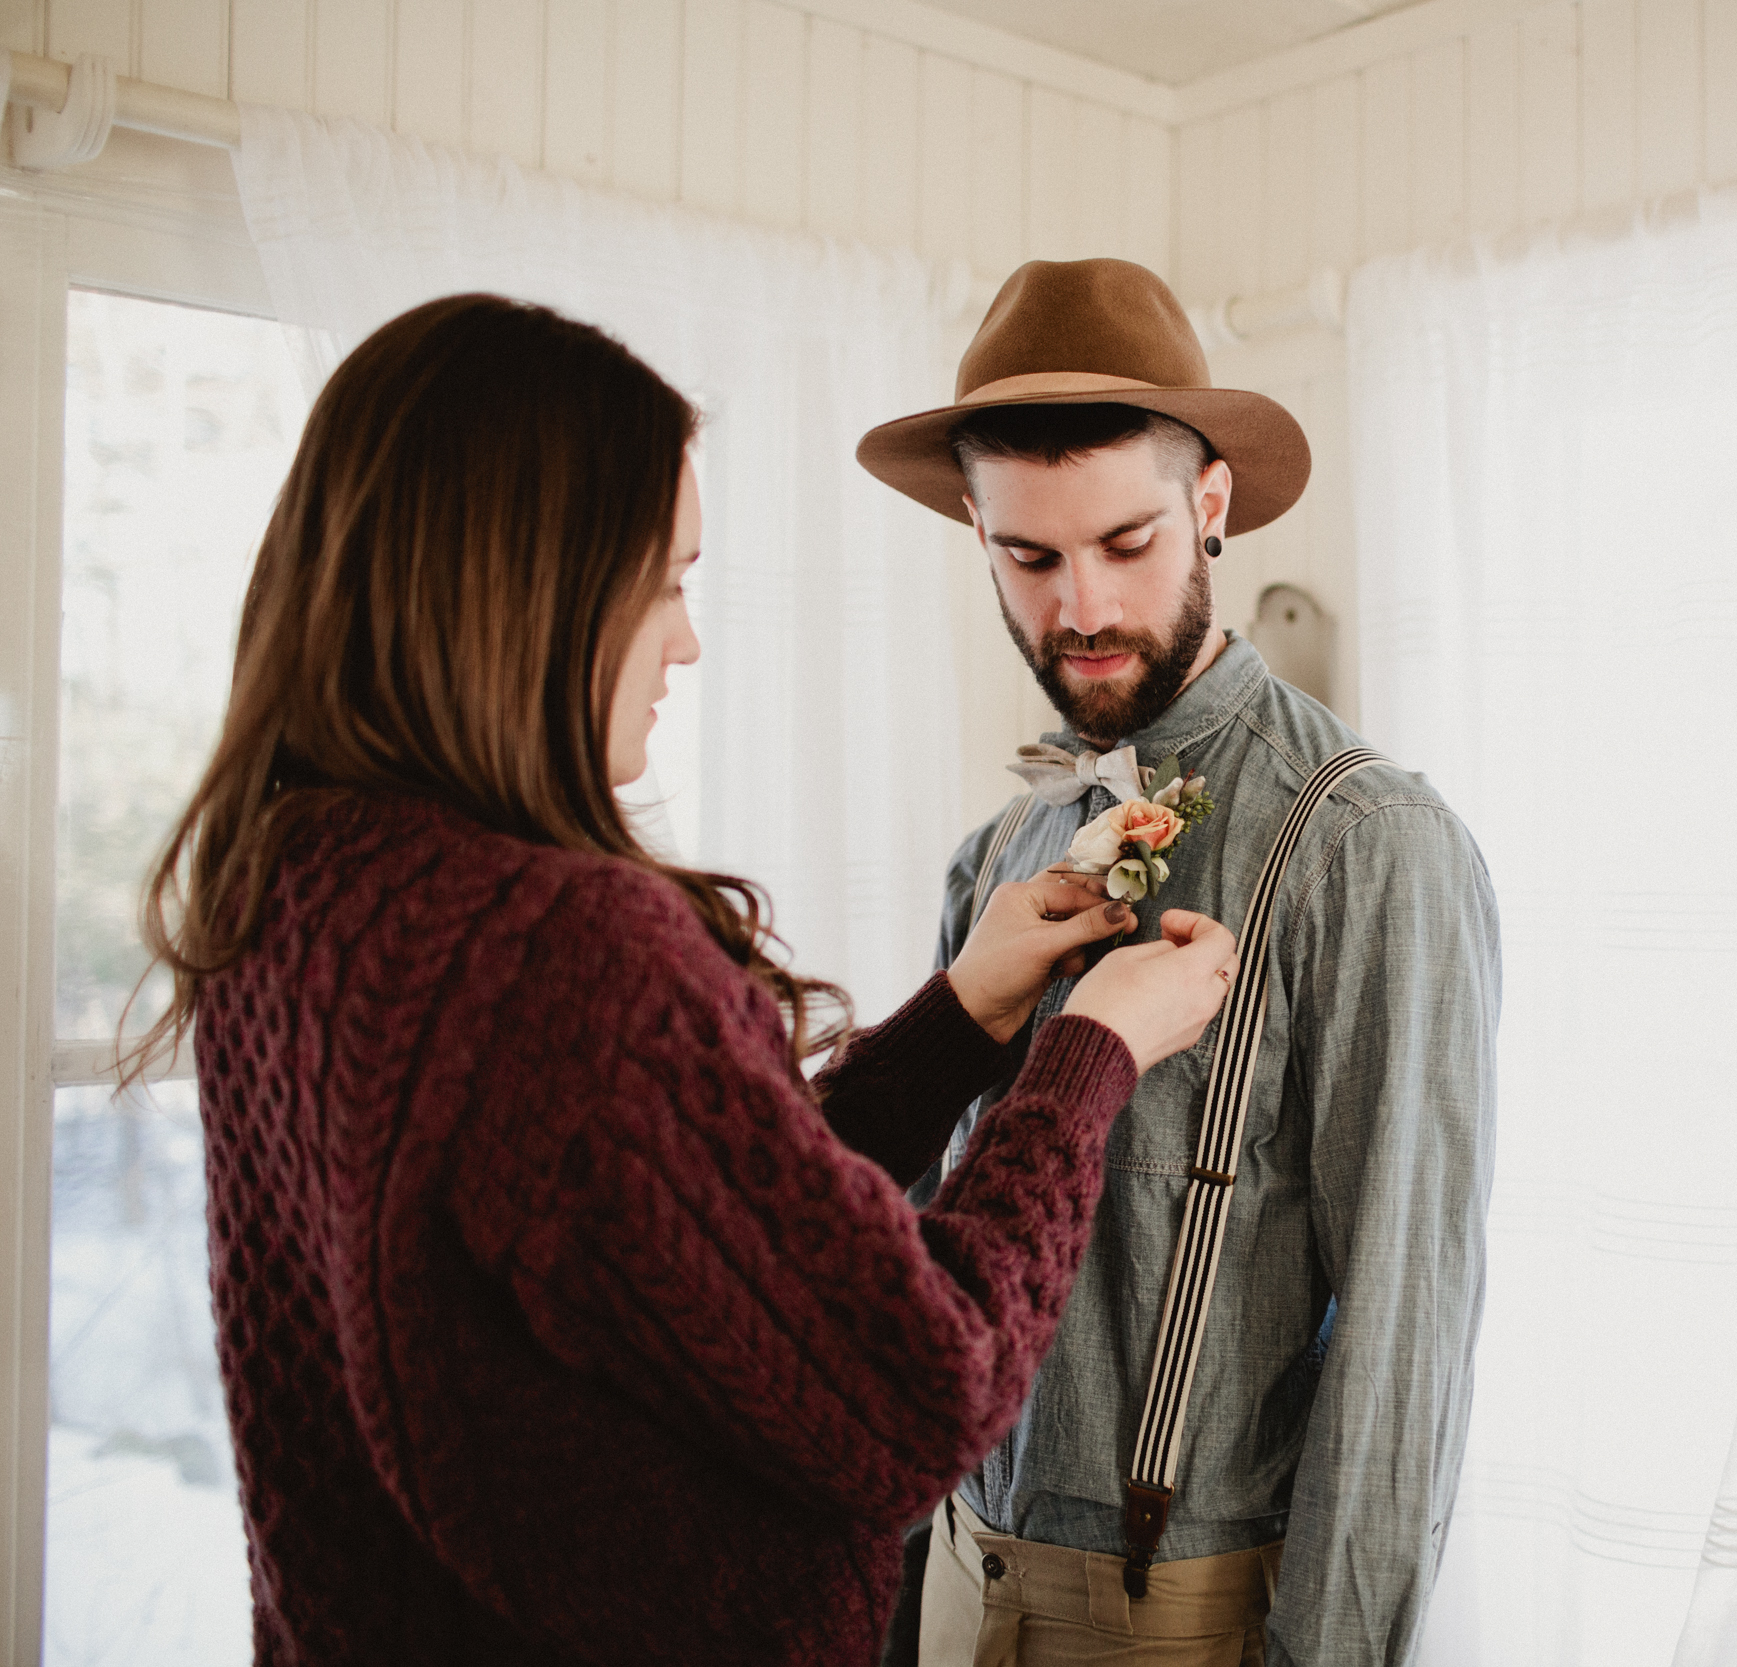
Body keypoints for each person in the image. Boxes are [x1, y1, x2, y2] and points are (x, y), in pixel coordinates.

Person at [126, 292, 1238, 1667]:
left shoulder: (295, 887)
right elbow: (915, 1392)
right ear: (524, 591)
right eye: (666, 581)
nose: (687, 641)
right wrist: (1090, 1058)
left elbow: (687, 1246)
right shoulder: (556, 949)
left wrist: (959, 1022)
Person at [857, 259, 1501, 1666]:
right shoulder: (996, 859)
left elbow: (1400, 1342)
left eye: (1127, 543)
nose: (1080, 607)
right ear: (976, 533)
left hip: (1191, 1623)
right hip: (961, 1578)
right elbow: (899, 1269)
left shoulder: (1369, 846)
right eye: (1029, 559)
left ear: (1211, 504)